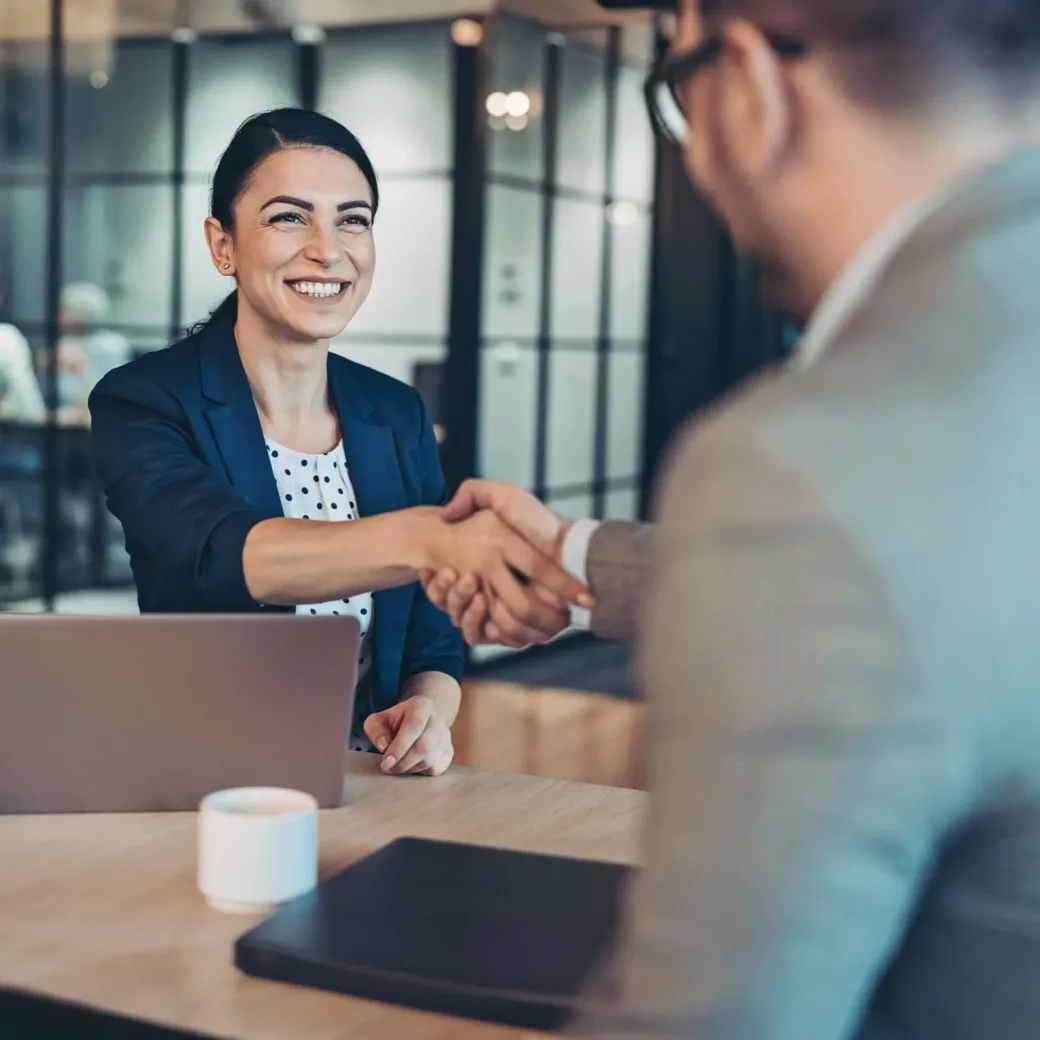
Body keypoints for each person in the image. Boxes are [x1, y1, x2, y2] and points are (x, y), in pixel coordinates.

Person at [428, 0, 1040, 1036]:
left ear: (750, 87)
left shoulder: (802, 467)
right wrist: (567, 557)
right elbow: (945, 583)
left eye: (677, 93)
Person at [89, 108, 590, 778]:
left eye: (352, 218)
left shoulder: (396, 411)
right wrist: (430, 538)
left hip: (367, 783)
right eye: (289, 216)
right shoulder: (143, 399)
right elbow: (221, 552)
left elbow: (432, 640)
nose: (328, 248)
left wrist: (427, 712)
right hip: (206, 782)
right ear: (223, 245)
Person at [54, 282, 132, 425]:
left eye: (64, 310)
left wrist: (81, 368)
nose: (58, 316)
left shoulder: (109, 345)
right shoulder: (65, 342)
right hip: (62, 417)